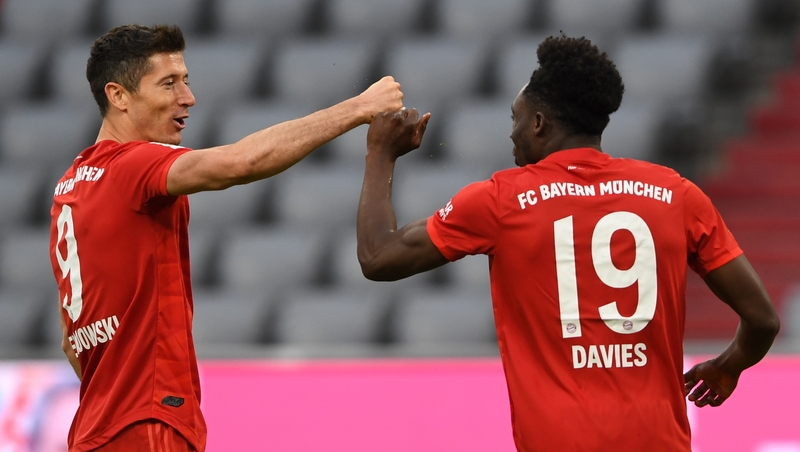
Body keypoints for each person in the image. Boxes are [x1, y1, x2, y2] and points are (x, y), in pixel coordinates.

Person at [357, 35, 780, 451]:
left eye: (515, 119)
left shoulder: (501, 201)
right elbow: (762, 320)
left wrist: (381, 153)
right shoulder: (677, 194)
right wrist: (728, 366)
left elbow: (377, 257)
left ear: (539, 123)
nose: (512, 134)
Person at [49, 24, 403, 452]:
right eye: (169, 83)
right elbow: (240, 163)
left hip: (94, 429)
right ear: (118, 96)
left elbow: (73, 343)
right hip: (149, 422)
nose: (188, 97)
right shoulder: (132, 166)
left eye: (186, 80)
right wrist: (360, 107)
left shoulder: (70, 188)